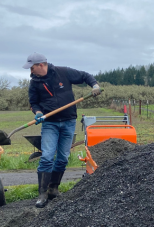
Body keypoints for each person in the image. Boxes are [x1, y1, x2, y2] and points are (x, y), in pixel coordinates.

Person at [23, 53, 101, 208]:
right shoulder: (34, 83)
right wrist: (38, 113)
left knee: (63, 158)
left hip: (68, 121)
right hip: (50, 123)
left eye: (32, 68)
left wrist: (95, 86)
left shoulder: (63, 72)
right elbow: (34, 102)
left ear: (41, 65)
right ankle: (42, 193)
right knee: (46, 157)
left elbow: (85, 76)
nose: (30, 71)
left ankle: (53, 189)